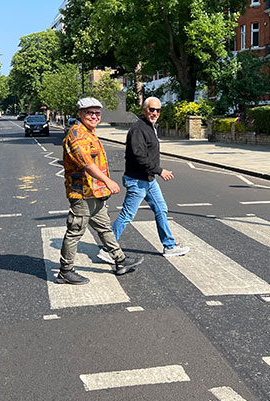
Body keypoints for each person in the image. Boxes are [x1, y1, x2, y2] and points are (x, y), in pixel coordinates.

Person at [57, 97, 143, 285]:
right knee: (75, 231)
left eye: (97, 112)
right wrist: (107, 181)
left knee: (104, 228)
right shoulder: (77, 134)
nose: (94, 116)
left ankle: (120, 260)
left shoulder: (89, 133)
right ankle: (65, 270)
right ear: (80, 114)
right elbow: (86, 164)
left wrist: (103, 185)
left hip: (95, 192)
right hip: (82, 193)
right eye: (89, 112)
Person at [109, 97, 190, 257]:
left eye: (158, 110)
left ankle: (169, 246)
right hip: (138, 180)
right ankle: (108, 248)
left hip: (148, 179)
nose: (155, 113)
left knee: (161, 209)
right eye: (151, 109)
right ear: (144, 110)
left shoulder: (150, 127)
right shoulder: (139, 129)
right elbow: (139, 156)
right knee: (127, 214)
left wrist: (155, 172)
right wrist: (159, 170)